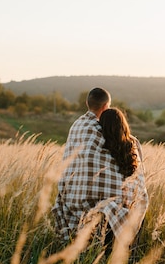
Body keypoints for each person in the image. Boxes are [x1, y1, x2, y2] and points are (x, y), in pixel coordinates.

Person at [51, 87, 123, 243]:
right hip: (91, 202)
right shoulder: (101, 130)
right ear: (106, 106)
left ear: (87, 103)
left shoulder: (76, 126)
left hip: (70, 197)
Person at [92, 107, 148, 249]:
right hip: (133, 206)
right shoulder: (133, 144)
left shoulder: (99, 147)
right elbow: (142, 173)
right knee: (128, 253)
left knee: (105, 253)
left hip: (108, 212)